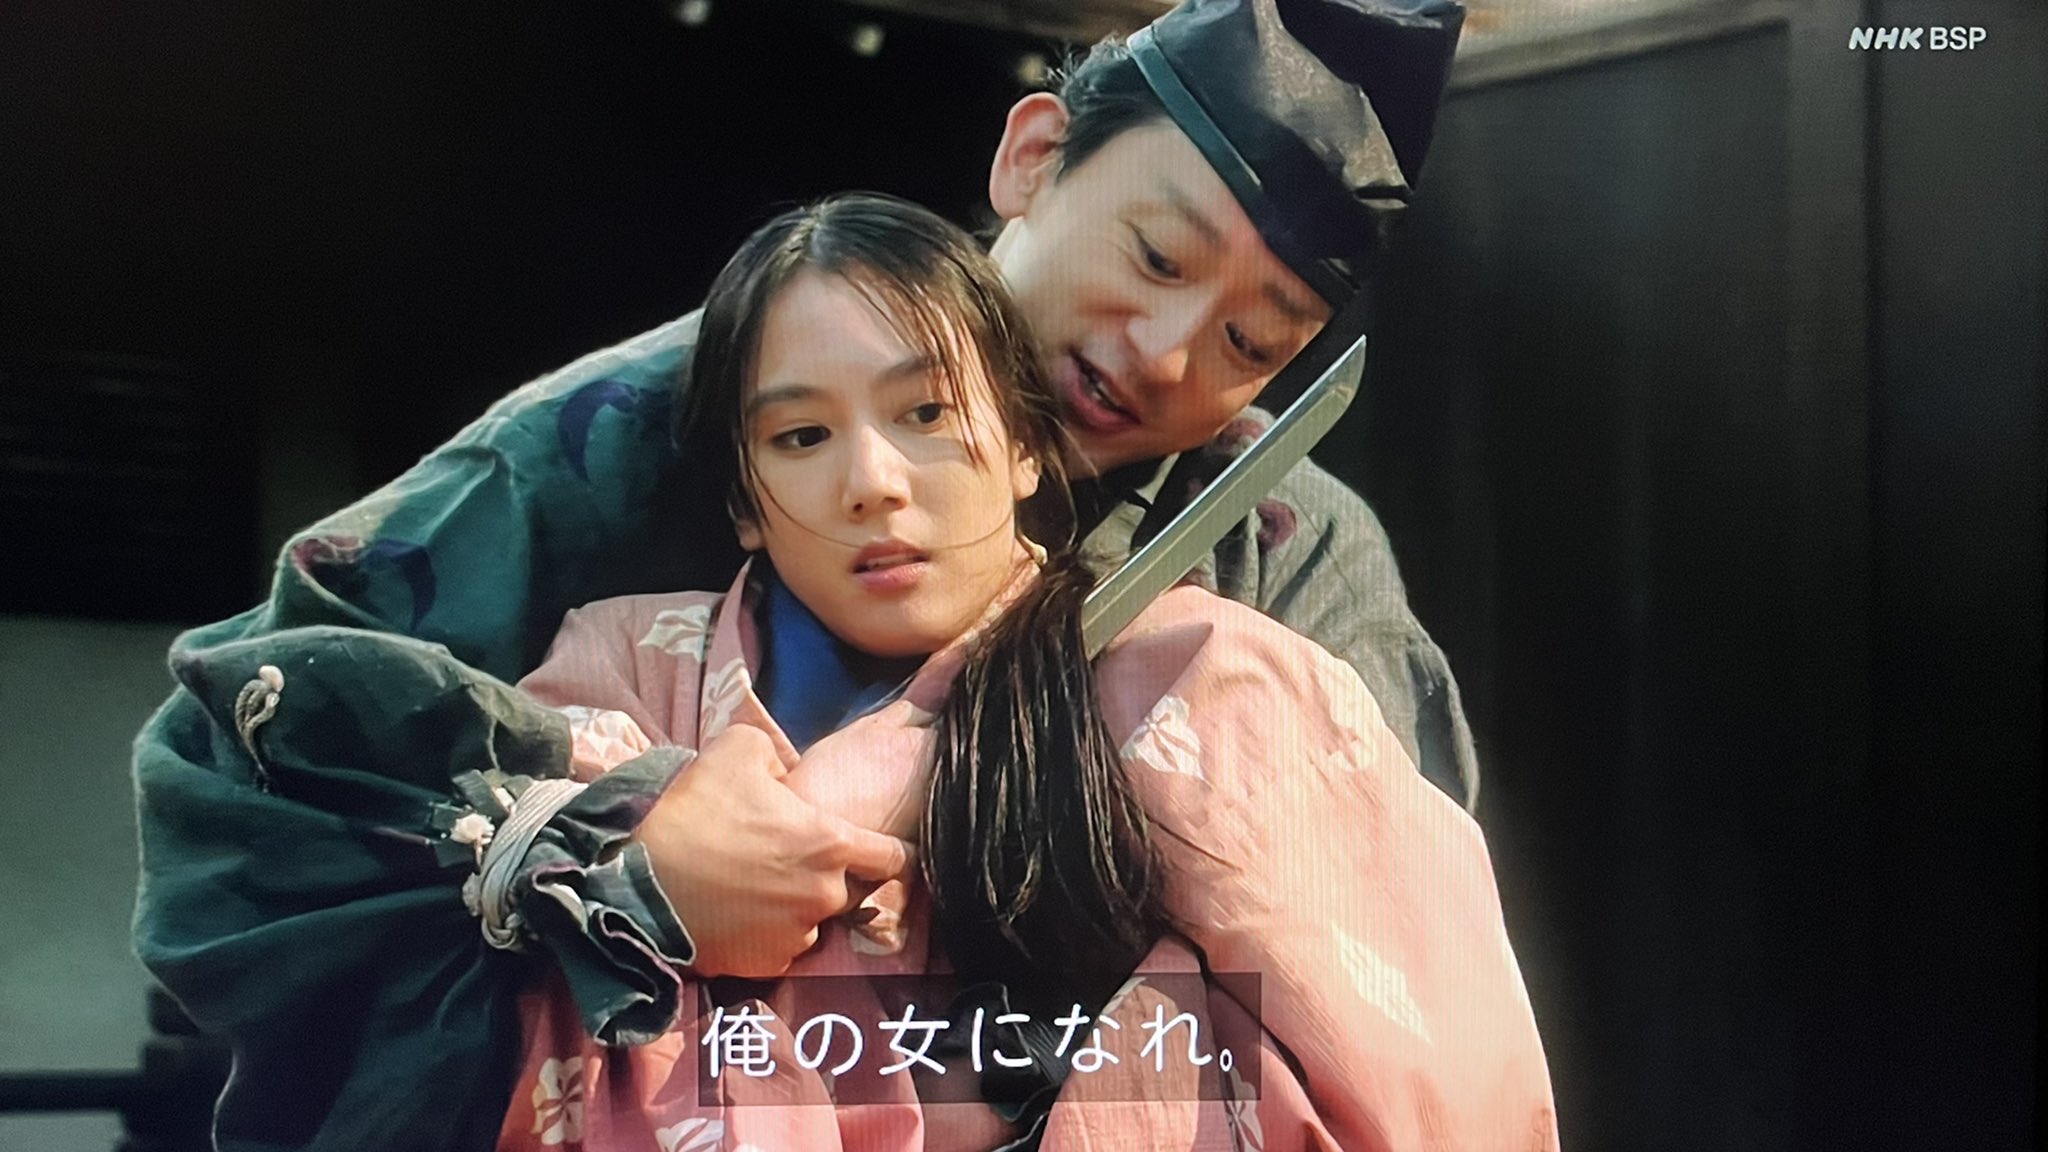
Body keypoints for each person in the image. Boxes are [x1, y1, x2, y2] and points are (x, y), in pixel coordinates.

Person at [132, 1, 1488, 1147]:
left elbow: (1391, 975)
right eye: (1155, 256)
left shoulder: (1283, 554)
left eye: (1254, 340)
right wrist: (615, 860)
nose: (1165, 352)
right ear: (1034, 155)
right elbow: (240, 764)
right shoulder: (646, 432)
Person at [490, 191, 1551, 1151]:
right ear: (742, 501)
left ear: (1025, 445)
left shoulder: (1204, 676)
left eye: (926, 414)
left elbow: (1422, 1058)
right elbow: (483, 992)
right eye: (802, 435)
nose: (872, 482)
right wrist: (640, 882)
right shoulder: (619, 674)